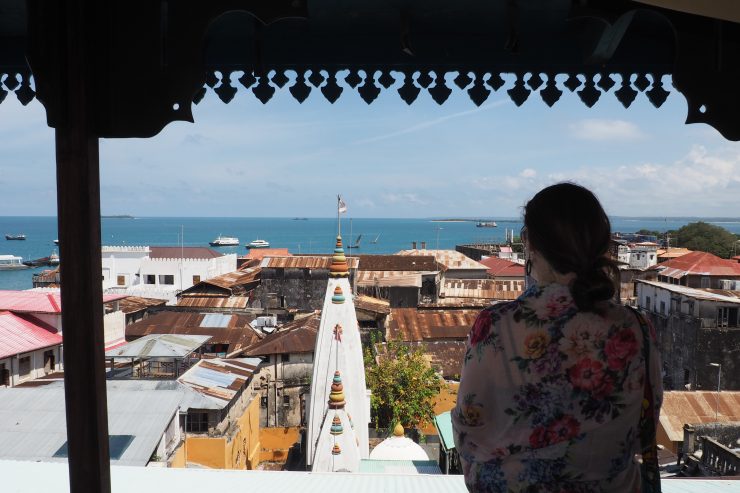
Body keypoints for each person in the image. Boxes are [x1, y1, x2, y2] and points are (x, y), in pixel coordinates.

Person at [452, 183, 663, 492]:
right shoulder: (635, 327)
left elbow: (470, 426)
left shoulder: (498, 325)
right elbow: (646, 418)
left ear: (531, 244)